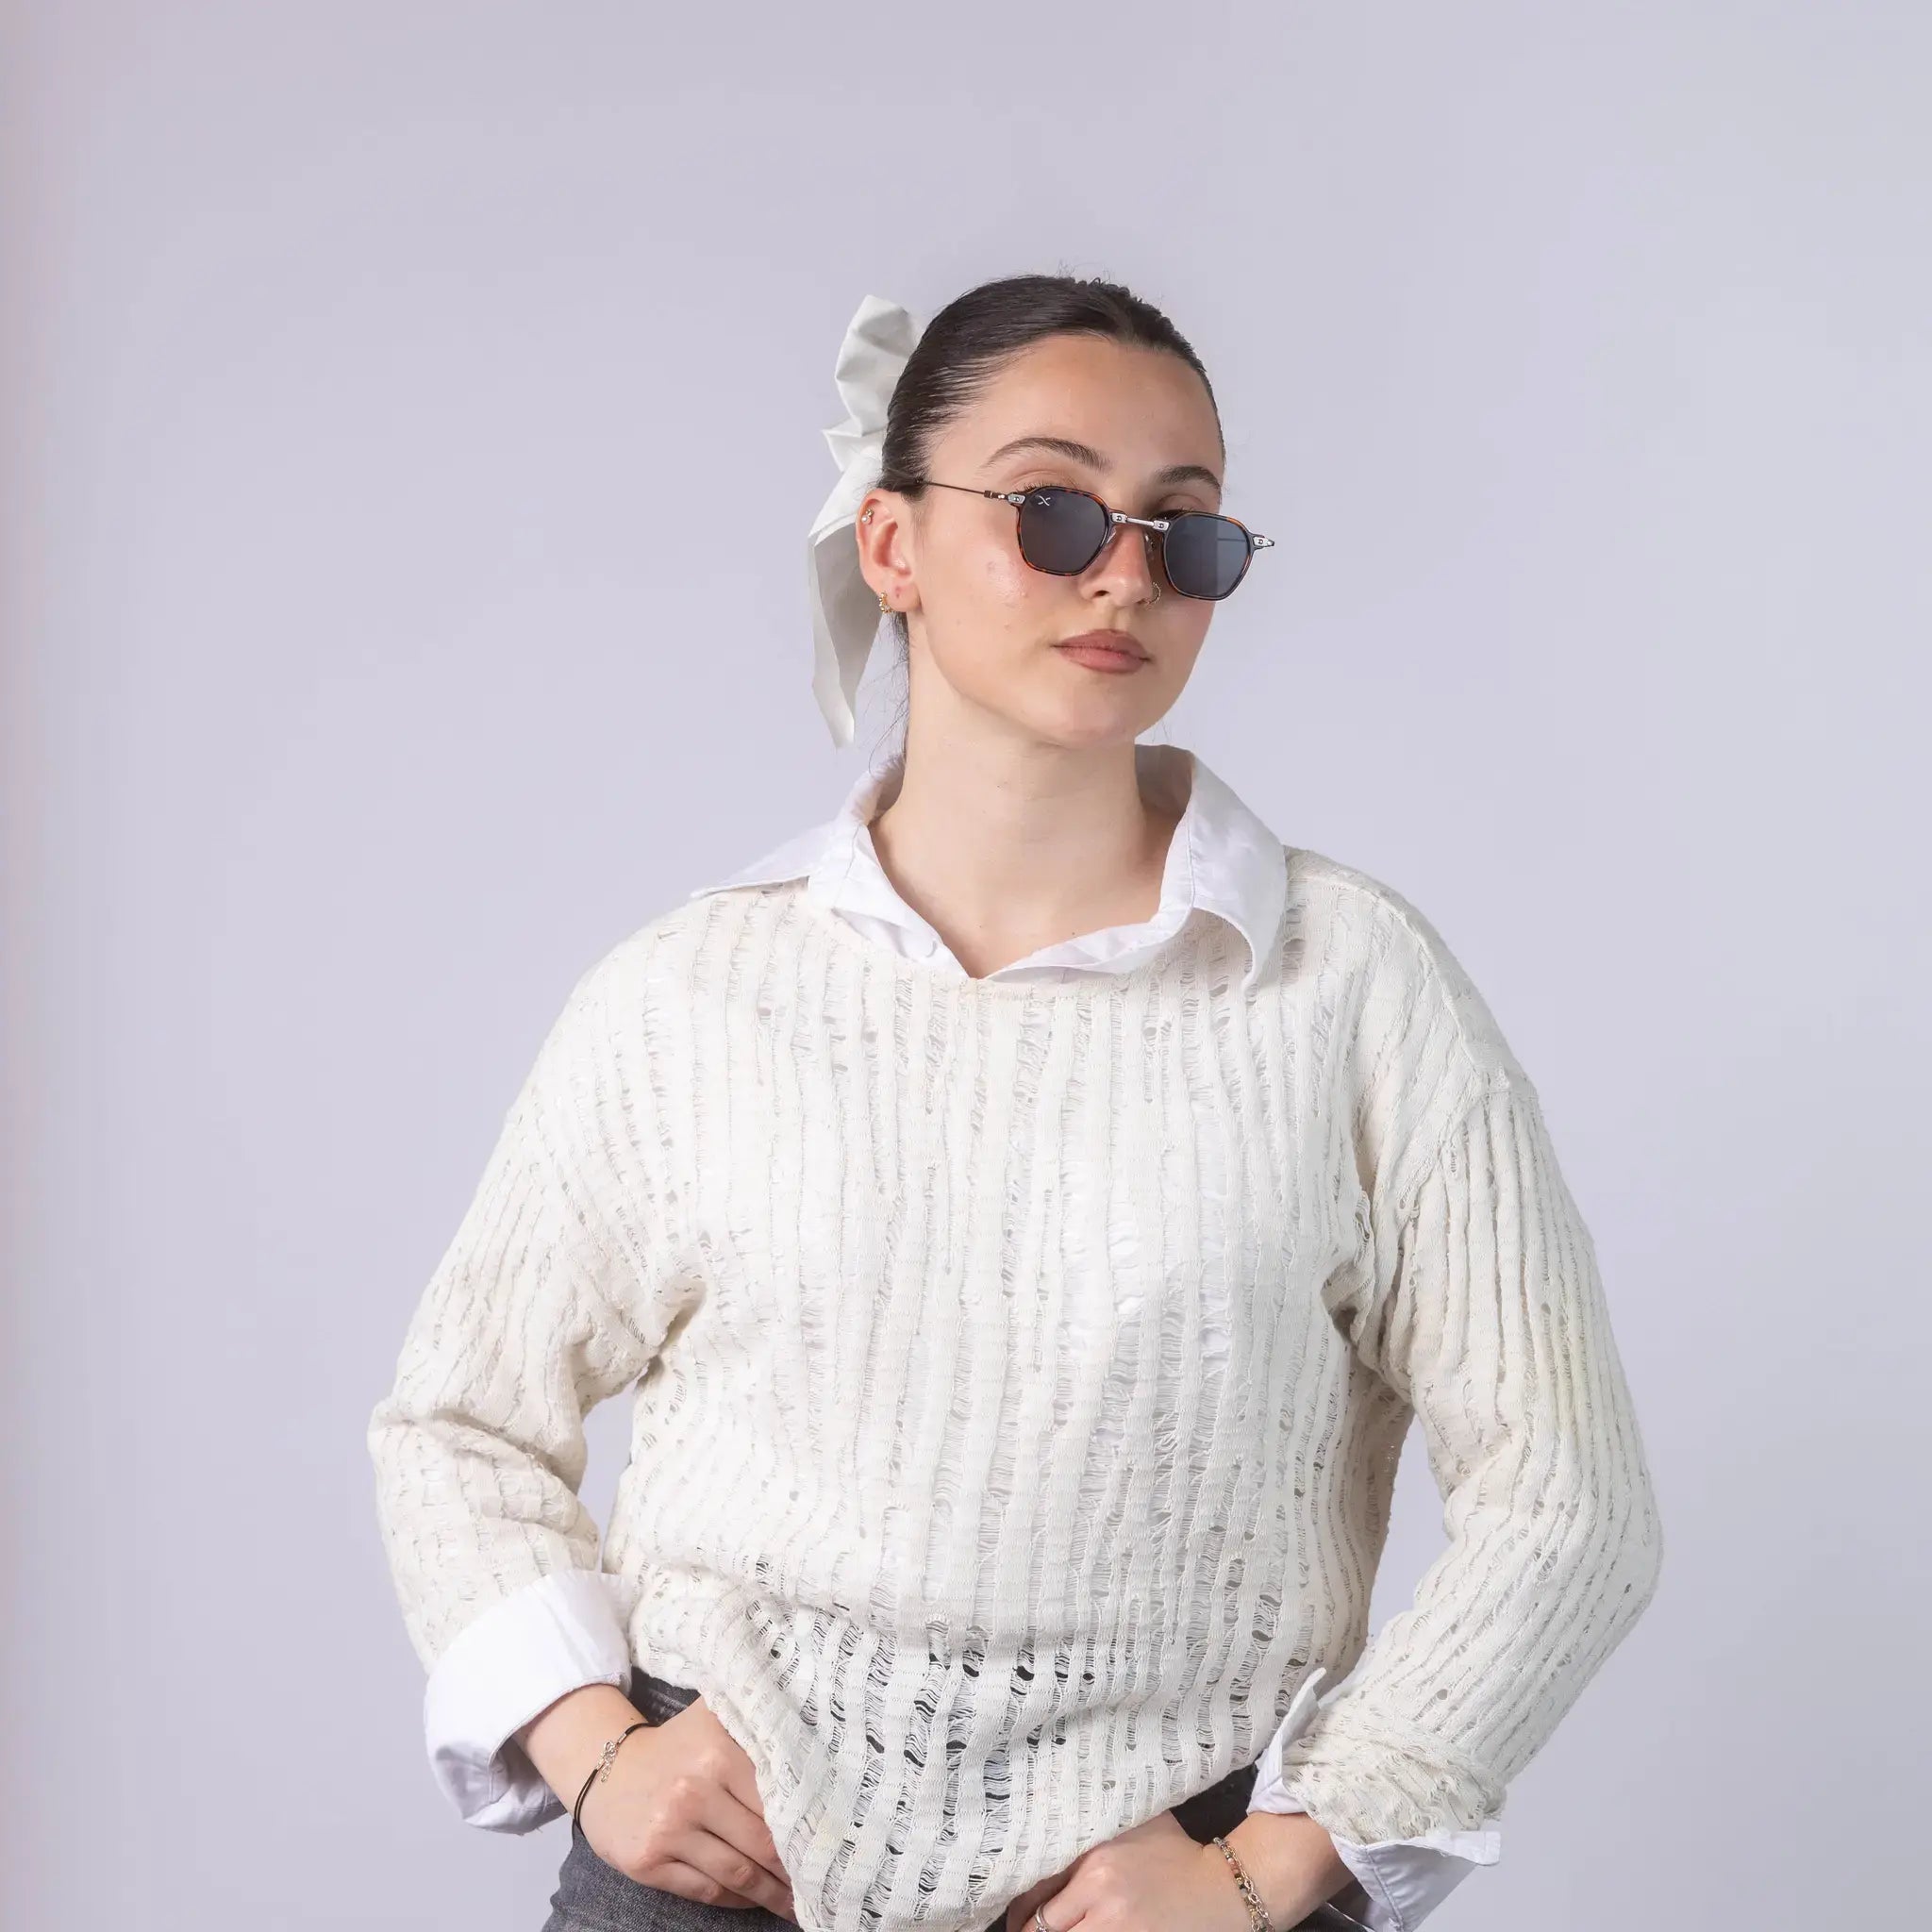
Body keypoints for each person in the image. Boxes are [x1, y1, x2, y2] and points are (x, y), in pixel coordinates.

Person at [366, 274, 1665, 1932]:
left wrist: (1271, 1872)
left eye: (1184, 533)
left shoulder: (1353, 989)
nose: (1125, 570)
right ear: (891, 545)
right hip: (721, 1881)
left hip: (1175, 1894)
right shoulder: (690, 996)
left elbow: (1570, 1497)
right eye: (1053, 509)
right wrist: (596, 1749)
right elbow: (459, 1426)